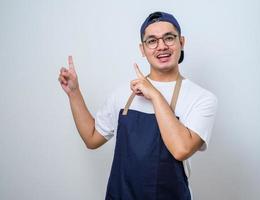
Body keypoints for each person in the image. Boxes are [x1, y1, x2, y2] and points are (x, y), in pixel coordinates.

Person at [58, 11, 217, 200]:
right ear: (142, 49)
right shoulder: (123, 94)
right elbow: (92, 138)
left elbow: (181, 149)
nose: (161, 46)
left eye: (169, 38)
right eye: (152, 41)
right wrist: (74, 93)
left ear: (181, 42)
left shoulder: (201, 98)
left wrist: (155, 96)